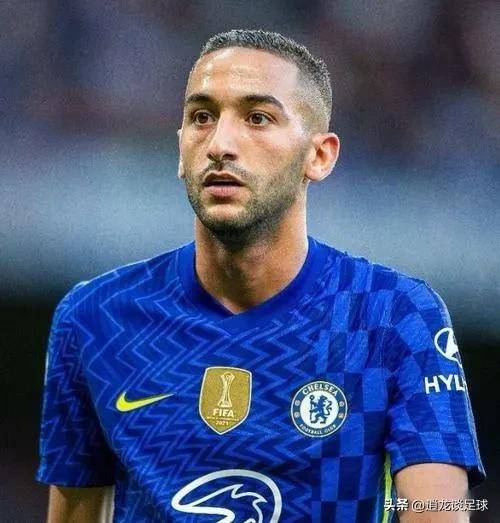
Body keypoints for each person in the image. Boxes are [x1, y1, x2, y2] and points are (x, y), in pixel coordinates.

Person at [36, 29, 485, 522]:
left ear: (319, 155)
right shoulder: (96, 318)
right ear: (181, 147)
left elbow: (439, 511)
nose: (220, 144)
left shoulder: (393, 315)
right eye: (202, 117)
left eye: (258, 118)